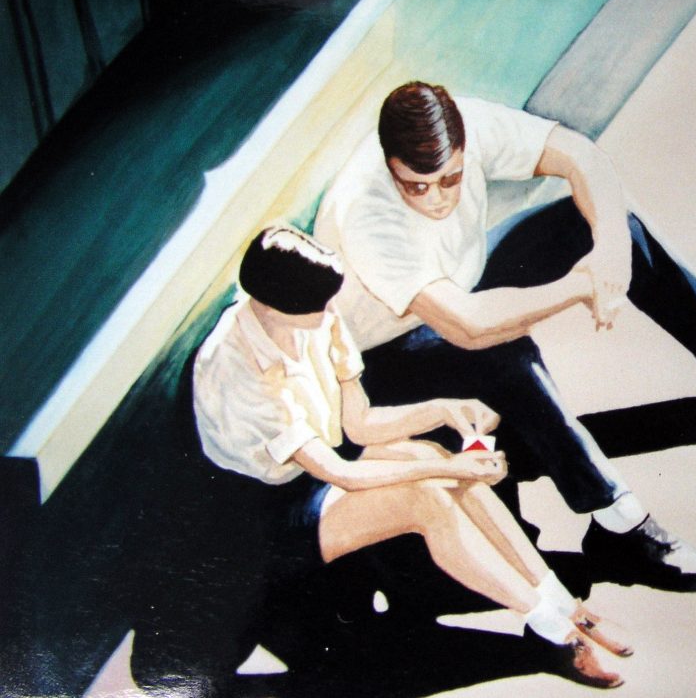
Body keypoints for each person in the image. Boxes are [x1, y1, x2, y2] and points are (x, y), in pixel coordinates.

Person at [314, 82, 696, 581]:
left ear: (463, 149)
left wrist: (610, 252)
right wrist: (583, 286)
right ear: (390, 165)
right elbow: (469, 326)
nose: (435, 199)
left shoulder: (467, 124)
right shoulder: (367, 212)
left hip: (460, 289)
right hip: (387, 361)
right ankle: (617, 522)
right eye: (416, 187)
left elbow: (582, 156)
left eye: (450, 180)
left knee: (607, 224)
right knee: (503, 352)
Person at [191, 225, 630, 689]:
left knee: (429, 456)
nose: (327, 317)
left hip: (314, 473)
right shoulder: (235, 368)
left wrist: (442, 410)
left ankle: (567, 607)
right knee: (425, 496)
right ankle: (555, 632)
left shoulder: (314, 308)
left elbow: (359, 425)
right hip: (265, 518)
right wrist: (447, 467)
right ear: (268, 305)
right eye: (314, 310)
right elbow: (339, 472)